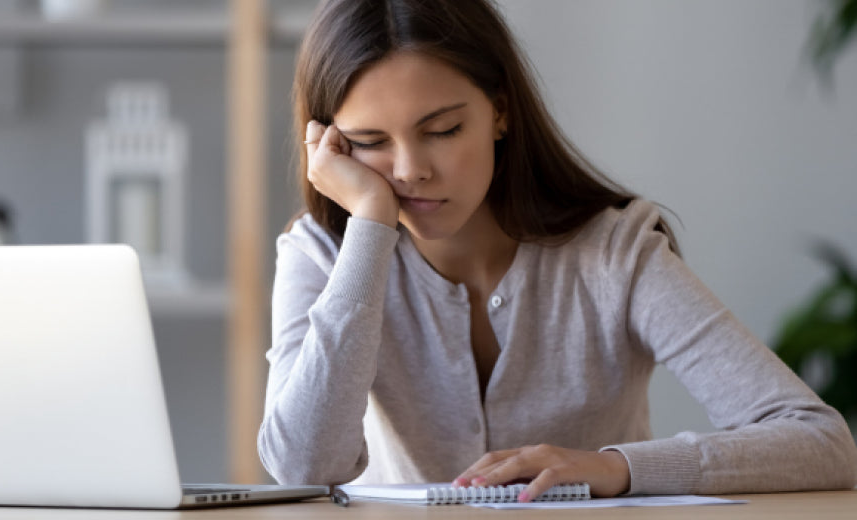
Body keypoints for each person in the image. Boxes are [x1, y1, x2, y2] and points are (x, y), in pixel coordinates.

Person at [257, 0, 857, 501]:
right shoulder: (323, 256)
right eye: (369, 142)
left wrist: (617, 469)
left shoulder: (614, 253)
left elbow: (820, 441)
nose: (411, 170)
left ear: (499, 111)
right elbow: (303, 466)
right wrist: (368, 230)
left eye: (442, 130)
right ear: (330, 146)